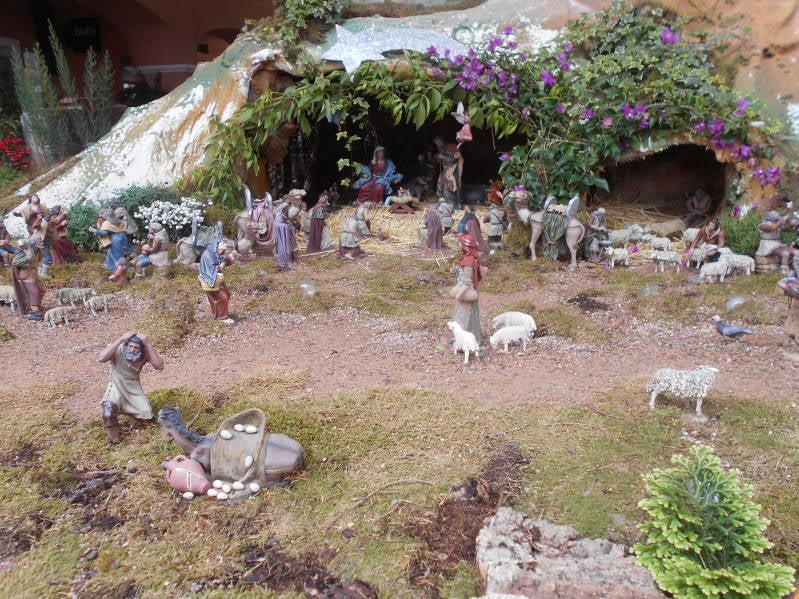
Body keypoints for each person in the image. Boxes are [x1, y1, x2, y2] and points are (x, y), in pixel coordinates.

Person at [97, 331, 164, 444]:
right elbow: (101, 358)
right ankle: (114, 439)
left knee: (146, 414)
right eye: (130, 346)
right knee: (108, 411)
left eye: (136, 347)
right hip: (116, 386)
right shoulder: (117, 349)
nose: (132, 350)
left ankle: (145, 429)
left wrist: (148, 344)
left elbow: (159, 366)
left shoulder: (143, 354)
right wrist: (120, 339)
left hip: (133, 388)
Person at [451, 233, 484, 344]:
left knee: (462, 316)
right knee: (466, 315)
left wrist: (458, 295)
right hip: (469, 289)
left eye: (460, 243)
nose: (459, 244)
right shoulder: (472, 257)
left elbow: (466, 282)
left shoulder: (468, 260)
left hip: (466, 291)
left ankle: (464, 340)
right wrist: (456, 270)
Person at [198, 238, 235, 322]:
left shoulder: (217, 253)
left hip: (217, 280)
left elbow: (222, 261)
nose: (225, 245)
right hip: (210, 280)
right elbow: (216, 268)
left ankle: (217, 313)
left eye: (225, 243)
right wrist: (225, 261)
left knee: (227, 293)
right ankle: (222, 318)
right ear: (216, 245)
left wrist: (228, 259)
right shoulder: (208, 255)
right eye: (222, 244)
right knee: (222, 298)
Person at [11, 236, 45, 320]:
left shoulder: (38, 251)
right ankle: (33, 311)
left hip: (34, 273)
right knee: (34, 291)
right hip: (26, 274)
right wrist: (27, 258)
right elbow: (15, 262)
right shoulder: (25, 252)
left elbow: (38, 260)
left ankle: (35, 306)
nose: (40, 243)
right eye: (38, 242)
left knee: (41, 290)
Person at [434, 136, 464, 207]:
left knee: (450, 183)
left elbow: (454, 159)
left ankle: (452, 204)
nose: (437, 144)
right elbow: (440, 160)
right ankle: (443, 200)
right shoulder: (442, 150)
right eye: (436, 143)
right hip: (445, 171)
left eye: (438, 142)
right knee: (441, 181)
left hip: (452, 171)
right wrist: (438, 157)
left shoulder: (453, 149)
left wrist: (442, 157)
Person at [275, 203, 297, 270]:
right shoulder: (279, 216)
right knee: (284, 246)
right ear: (284, 209)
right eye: (287, 209)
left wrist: (289, 225)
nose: (288, 210)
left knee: (287, 245)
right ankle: (285, 262)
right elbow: (279, 225)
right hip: (283, 234)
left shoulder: (283, 215)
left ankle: (287, 261)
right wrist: (288, 226)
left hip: (284, 233)